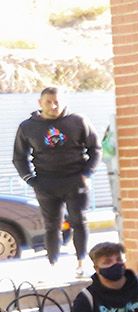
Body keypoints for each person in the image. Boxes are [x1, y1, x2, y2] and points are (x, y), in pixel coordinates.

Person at [12, 87, 99, 272]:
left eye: (57, 102)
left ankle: (81, 262)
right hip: (46, 183)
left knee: (79, 221)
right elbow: (19, 157)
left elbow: (95, 148)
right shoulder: (28, 127)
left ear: (64, 101)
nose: (53, 106)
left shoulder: (78, 121)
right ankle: (53, 263)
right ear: (40, 103)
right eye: (48, 102)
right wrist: (30, 179)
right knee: (52, 226)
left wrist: (87, 174)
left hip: (75, 181)